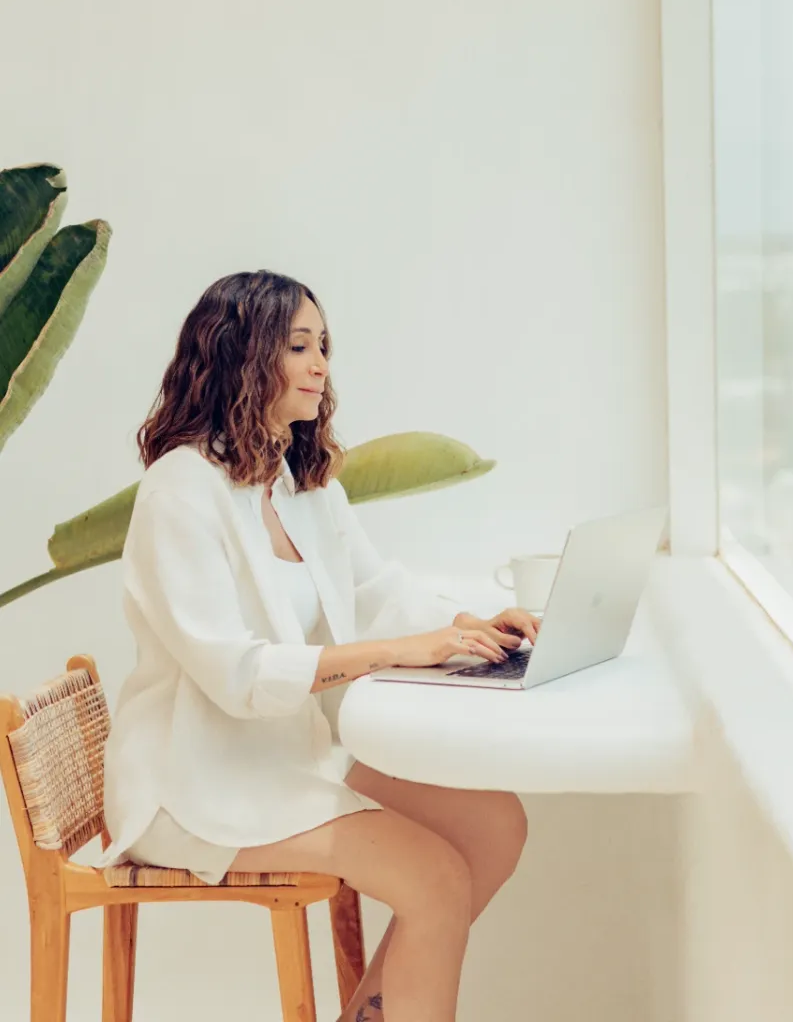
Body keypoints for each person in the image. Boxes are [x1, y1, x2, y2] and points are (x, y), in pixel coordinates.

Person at [100, 269, 537, 1022]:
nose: (319, 365)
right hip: (193, 781)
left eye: (323, 346)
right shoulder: (180, 490)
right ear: (241, 354)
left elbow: (374, 593)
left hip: (284, 756)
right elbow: (234, 673)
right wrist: (399, 652)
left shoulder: (302, 483)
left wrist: (472, 622)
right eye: (298, 346)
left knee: (496, 826)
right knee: (434, 880)